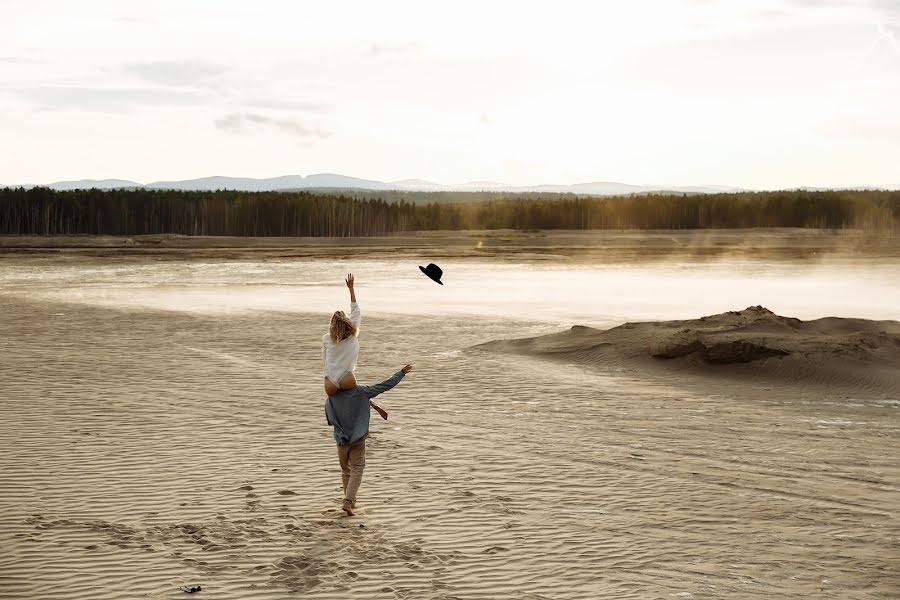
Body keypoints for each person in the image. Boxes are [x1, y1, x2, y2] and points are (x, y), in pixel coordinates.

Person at [325, 364, 413, 515]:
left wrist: (374, 406)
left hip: (341, 439)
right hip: (358, 438)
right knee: (357, 468)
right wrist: (401, 373)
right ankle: (348, 501)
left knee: (346, 470)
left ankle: (351, 500)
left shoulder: (331, 398)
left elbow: (329, 418)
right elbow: (384, 386)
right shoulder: (361, 391)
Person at [322, 273, 387, 419]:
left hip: (330, 384)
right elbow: (356, 311)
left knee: (345, 397)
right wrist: (351, 289)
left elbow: (324, 362)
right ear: (347, 322)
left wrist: (329, 378)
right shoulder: (353, 335)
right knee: (359, 393)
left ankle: (340, 420)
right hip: (346, 378)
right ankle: (372, 408)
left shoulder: (326, 339)